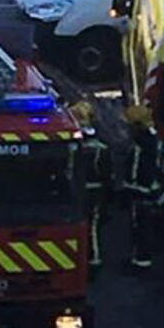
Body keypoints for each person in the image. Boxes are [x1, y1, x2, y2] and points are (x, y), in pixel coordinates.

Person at [70, 101, 113, 270]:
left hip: (83, 192)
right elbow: (107, 175)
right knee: (91, 227)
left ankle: (92, 259)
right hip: (95, 192)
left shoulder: (77, 146)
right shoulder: (101, 148)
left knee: (89, 227)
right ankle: (90, 258)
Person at [122, 104, 162, 269]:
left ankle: (139, 261)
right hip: (151, 190)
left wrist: (128, 187)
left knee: (139, 228)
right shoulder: (154, 139)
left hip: (140, 192)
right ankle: (141, 258)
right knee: (146, 227)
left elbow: (136, 170)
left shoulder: (141, 144)